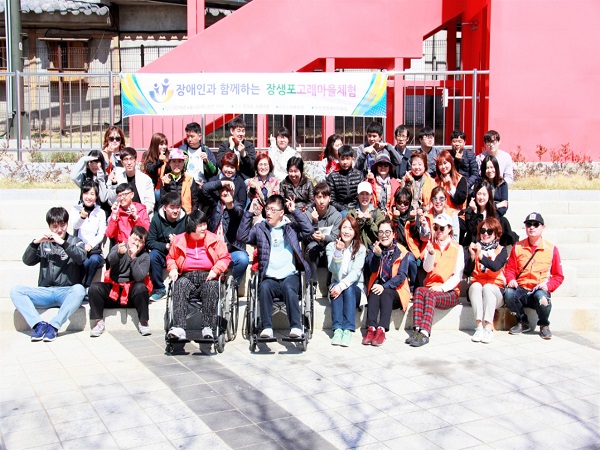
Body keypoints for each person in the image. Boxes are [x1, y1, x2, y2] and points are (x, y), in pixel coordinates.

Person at [237, 195, 313, 339]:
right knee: (264, 288)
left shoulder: (291, 228)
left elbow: (309, 230)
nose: (269, 212)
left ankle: (296, 327)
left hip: (290, 276)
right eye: (267, 209)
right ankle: (266, 327)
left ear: (282, 212)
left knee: (289, 289)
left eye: (273, 209)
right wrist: (249, 212)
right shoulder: (260, 228)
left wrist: (295, 211)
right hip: (269, 277)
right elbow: (242, 237)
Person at [11, 207, 86, 342]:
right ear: (49, 227)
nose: (59, 230)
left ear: (67, 224)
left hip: (65, 292)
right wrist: (35, 243)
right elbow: (27, 261)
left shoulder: (76, 241)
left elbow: (81, 258)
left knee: (79, 290)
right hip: (45, 292)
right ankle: (39, 325)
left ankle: (54, 326)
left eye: (62, 225)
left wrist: (62, 243)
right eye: (55, 226)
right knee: (15, 291)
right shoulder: (43, 243)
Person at [166, 211, 232, 341]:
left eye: (204, 224)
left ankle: (208, 327)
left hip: (208, 276)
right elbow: (170, 258)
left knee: (212, 287)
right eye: (200, 225)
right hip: (186, 276)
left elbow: (225, 258)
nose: (204, 228)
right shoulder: (179, 240)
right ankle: (179, 328)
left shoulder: (215, 240)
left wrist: (215, 270)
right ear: (191, 227)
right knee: (180, 284)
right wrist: (173, 268)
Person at [406, 213, 464, 347]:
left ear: (449, 229)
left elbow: (458, 275)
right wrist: (431, 254)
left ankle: (425, 332)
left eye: (441, 228)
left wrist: (442, 288)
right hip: (432, 286)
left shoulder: (457, 248)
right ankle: (416, 330)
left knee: (430, 295)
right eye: (436, 228)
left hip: (449, 291)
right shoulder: (431, 246)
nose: (438, 231)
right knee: (419, 291)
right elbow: (427, 268)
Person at [504, 213, 564, 340]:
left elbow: (558, 276)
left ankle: (544, 325)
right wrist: (511, 279)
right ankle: (522, 322)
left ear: (543, 227)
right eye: (528, 224)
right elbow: (509, 269)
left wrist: (548, 286)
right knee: (508, 293)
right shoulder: (518, 247)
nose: (532, 227)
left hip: (539, 289)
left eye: (536, 224)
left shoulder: (551, 249)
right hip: (521, 288)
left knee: (543, 299)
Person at [88, 226, 152, 337]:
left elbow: (139, 277)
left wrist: (133, 257)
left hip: (131, 293)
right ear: (129, 237)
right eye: (134, 239)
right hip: (114, 290)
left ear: (144, 244)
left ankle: (143, 322)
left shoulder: (145, 256)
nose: (136, 243)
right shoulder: (120, 247)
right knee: (94, 288)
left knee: (141, 288)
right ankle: (98, 322)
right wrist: (118, 253)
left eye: (140, 241)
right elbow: (110, 261)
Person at [362, 220, 411, 346]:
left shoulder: (402, 251)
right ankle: (371, 328)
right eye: (381, 232)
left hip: (397, 291)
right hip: (379, 287)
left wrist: (384, 286)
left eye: (387, 232)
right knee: (374, 290)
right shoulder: (374, 248)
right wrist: (377, 256)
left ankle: (382, 330)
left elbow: (401, 276)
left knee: (385, 292)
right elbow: (372, 269)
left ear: (394, 234)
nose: (384, 235)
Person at [326, 216, 366, 347]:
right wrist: (338, 251)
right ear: (339, 229)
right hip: (336, 283)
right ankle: (337, 329)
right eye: (344, 228)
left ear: (355, 232)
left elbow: (356, 273)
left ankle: (348, 329)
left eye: (351, 228)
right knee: (337, 287)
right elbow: (332, 269)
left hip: (355, 288)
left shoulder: (361, 249)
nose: (347, 231)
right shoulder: (331, 247)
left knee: (346, 288)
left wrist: (341, 286)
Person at [466, 217, 508, 344]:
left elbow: (495, 267)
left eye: (490, 232)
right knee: (476, 286)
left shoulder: (501, 250)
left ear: (496, 234)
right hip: (479, 291)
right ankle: (479, 327)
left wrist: (480, 256)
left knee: (488, 287)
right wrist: (473, 257)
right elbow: (467, 272)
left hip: (495, 292)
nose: (485, 234)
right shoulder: (475, 249)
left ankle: (488, 328)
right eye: (483, 231)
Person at [202, 177, 249, 284]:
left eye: (228, 190)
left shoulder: (238, 207)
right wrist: (223, 182)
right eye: (223, 189)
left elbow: (236, 213)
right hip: (212, 249)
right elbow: (205, 188)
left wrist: (230, 205)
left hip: (229, 250)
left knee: (243, 259)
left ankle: (233, 285)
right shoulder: (215, 203)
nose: (225, 192)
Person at [146, 193, 188, 301]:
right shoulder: (156, 219)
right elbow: (150, 241)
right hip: (163, 253)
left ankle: (184, 288)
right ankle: (159, 289)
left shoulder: (186, 219)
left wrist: (178, 242)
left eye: (178, 207)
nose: (175, 211)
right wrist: (166, 246)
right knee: (153, 255)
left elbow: (191, 239)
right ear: (165, 208)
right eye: (172, 207)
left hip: (180, 253)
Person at [303, 182, 342, 284]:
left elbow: (335, 237)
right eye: (318, 197)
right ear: (314, 198)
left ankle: (330, 281)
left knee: (332, 247)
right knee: (311, 246)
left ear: (329, 198)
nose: (321, 201)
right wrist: (315, 222)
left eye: (324, 197)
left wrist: (324, 237)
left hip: (327, 249)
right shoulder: (308, 214)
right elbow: (306, 237)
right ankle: (313, 282)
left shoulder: (336, 215)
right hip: (313, 251)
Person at [71, 183, 107, 289]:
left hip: (95, 250)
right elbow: (75, 226)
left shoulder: (100, 212)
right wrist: (81, 218)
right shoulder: (76, 209)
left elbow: (101, 233)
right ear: (82, 194)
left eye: (92, 194)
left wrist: (91, 244)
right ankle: (79, 287)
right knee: (85, 262)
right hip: (80, 248)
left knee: (94, 260)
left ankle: (87, 286)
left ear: (96, 197)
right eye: (86, 193)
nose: (89, 197)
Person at [107, 147, 155, 216]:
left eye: (131, 159)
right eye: (126, 159)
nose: (129, 163)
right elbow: (111, 202)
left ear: (135, 160)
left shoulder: (145, 179)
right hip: (122, 215)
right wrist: (114, 184)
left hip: (141, 214)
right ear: (122, 162)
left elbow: (150, 203)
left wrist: (138, 213)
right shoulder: (117, 178)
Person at [160, 148, 200, 214]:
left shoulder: (190, 179)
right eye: (174, 161)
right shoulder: (164, 180)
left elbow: (195, 201)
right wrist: (166, 186)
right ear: (169, 163)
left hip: (186, 215)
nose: (177, 164)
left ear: (183, 163)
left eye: (179, 161)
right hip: (170, 215)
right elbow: (162, 202)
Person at [69, 150, 111, 215]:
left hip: (101, 214)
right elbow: (73, 176)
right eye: (91, 162)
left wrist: (101, 179)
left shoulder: (108, 178)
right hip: (85, 214)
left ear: (102, 163)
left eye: (97, 162)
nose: (94, 165)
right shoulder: (84, 177)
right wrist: (83, 160)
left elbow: (103, 199)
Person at [326, 144, 364, 216]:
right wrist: (344, 209)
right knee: (344, 214)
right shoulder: (333, 177)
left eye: (347, 158)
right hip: (339, 210)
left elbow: (361, 195)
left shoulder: (359, 175)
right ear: (338, 159)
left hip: (357, 208)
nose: (345, 162)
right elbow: (331, 200)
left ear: (352, 159)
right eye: (342, 159)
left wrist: (353, 209)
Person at [348, 181, 385, 249]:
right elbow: (350, 234)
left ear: (371, 196)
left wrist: (370, 221)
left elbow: (380, 234)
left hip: (373, 249)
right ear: (358, 196)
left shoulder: (378, 213)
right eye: (362, 194)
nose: (364, 197)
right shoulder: (351, 213)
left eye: (367, 194)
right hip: (356, 249)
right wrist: (359, 221)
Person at [141, 132, 169, 210]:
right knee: (157, 194)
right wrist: (159, 161)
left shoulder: (167, 155)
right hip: (151, 186)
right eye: (161, 144)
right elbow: (150, 169)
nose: (164, 147)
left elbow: (170, 170)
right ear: (155, 145)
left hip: (164, 186)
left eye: (165, 144)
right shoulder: (147, 155)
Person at [368, 152, 401, 217]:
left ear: (389, 167)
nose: (383, 167)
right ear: (376, 167)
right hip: (373, 215)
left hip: (390, 215)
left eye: (386, 165)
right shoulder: (369, 182)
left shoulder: (396, 184)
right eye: (380, 165)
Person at [450, 130, 479, 194]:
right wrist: (456, 161)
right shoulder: (448, 155)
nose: (457, 144)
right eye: (454, 141)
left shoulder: (470, 155)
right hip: (451, 185)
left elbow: (475, 174)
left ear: (464, 143)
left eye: (460, 142)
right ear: (451, 143)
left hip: (467, 186)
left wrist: (466, 185)